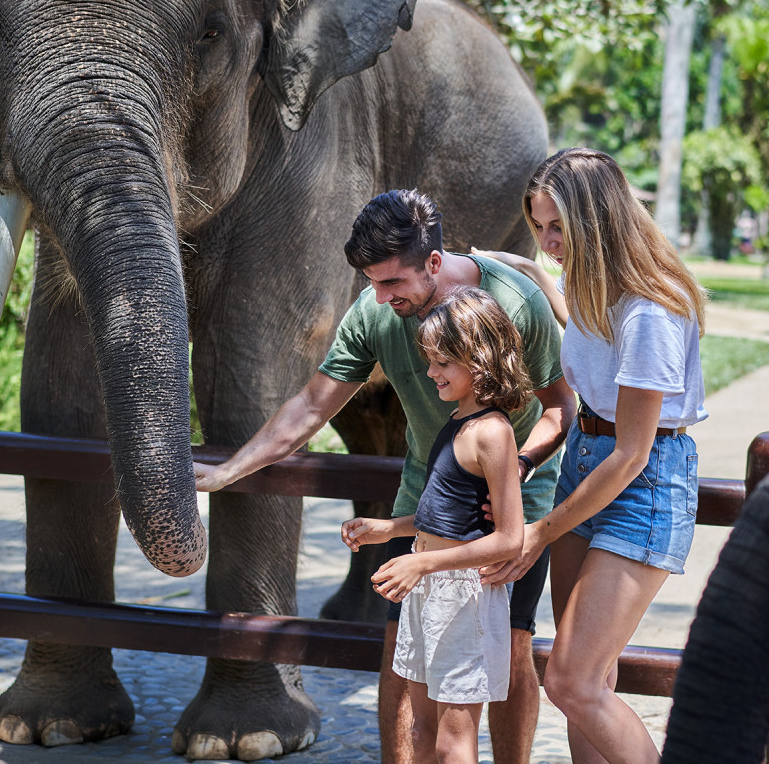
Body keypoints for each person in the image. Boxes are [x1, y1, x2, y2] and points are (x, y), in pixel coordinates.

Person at [194, 189, 575, 764]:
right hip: (426, 501)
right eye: (372, 282)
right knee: (402, 657)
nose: (380, 297)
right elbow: (309, 408)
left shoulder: (515, 303)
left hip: (515, 502)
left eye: (392, 282)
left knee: (508, 653)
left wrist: (517, 473)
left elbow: (560, 408)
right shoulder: (377, 311)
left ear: (434, 263)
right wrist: (228, 472)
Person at [481, 148, 708, 764]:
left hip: (641, 480)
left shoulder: (649, 312)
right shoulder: (590, 287)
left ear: (597, 220)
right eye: (540, 228)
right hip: (586, 459)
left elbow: (633, 453)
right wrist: (503, 265)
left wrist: (539, 532)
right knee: (590, 681)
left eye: (559, 227)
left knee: (570, 681)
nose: (549, 242)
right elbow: (570, 311)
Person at [341, 287, 529, 764]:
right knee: (422, 731)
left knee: (452, 740)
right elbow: (446, 512)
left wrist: (421, 564)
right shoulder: (456, 422)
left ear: (481, 358)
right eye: (431, 361)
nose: (431, 373)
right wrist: (389, 529)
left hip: (462, 596)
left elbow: (508, 539)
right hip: (428, 590)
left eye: (444, 362)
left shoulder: (493, 432)